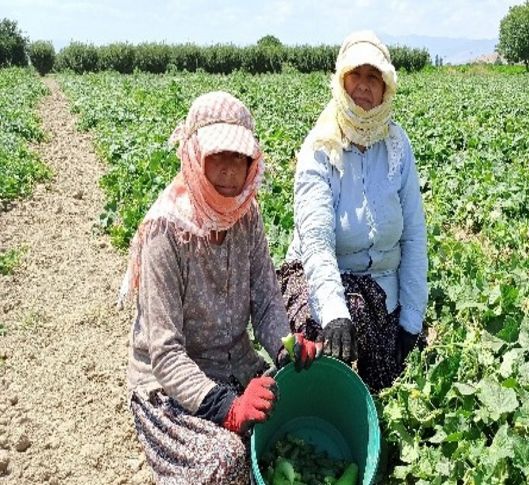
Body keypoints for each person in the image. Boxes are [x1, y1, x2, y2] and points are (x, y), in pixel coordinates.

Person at [122, 91, 319, 484]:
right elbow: (166, 353)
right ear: (195, 156)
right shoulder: (166, 232)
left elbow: (265, 300)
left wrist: (286, 347)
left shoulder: (247, 215)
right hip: (172, 388)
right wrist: (228, 409)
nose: (230, 171)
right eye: (218, 156)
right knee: (226, 459)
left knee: (287, 430)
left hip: (234, 367)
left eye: (239, 157)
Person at [279, 30, 428, 392]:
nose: (363, 86)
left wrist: (412, 318)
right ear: (341, 81)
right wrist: (334, 312)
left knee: (402, 373)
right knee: (335, 338)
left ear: (385, 89)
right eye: (355, 75)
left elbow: (414, 234)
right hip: (321, 281)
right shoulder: (320, 145)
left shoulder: (396, 144)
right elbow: (316, 242)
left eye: (373, 77)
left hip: (383, 286)